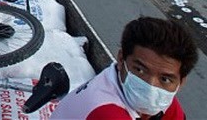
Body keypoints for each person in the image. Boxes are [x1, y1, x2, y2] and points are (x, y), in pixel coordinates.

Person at [51, 16, 198, 120]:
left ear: (181, 82)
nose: (150, 86)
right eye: (140, 70)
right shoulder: (105, 111)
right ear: (121, 59)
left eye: (164, 79)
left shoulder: (164, 100)